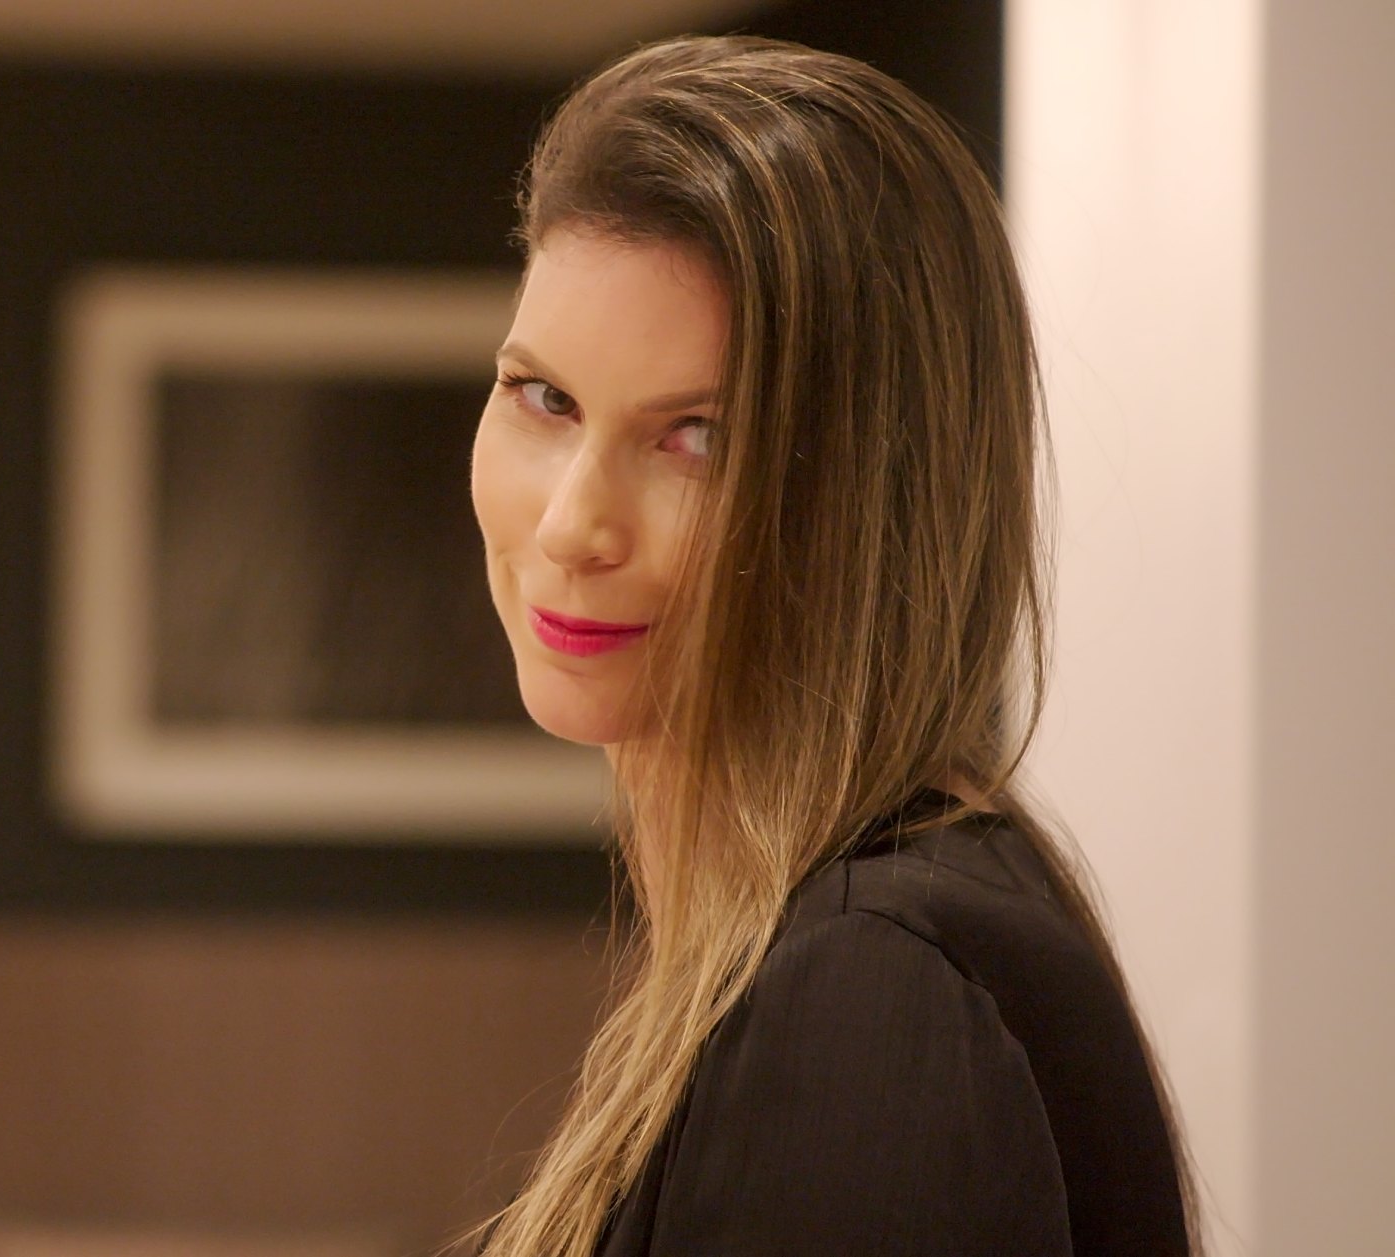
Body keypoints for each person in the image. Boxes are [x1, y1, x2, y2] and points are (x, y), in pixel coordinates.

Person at [462, 34, 1199, 1257]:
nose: (573, 524)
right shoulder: (875, 930)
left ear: (876, 496)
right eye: (546, 399)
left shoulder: (873, 987)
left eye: (697, 437)